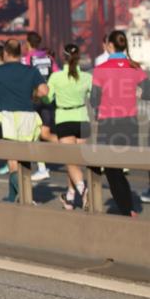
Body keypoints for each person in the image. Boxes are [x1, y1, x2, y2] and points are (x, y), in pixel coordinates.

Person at [0, 39, 49, 204]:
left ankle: (26, 197)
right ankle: (12, 196)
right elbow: (44, 91)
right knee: (24, 159)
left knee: (12, 162)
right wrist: (32, 94)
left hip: (8, 119)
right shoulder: (31, 70)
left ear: (5, 53)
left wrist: (0, 92)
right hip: (28, 117)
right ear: (20, 53)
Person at [91, 30, 146, 218]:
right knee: (121, 166)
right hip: (130, 123)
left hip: (109, 123)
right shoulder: (135, 68)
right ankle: (129, 207)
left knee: (111, 167)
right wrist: (135, 94)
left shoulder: (101, 69)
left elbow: (93, 100)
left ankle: (126, 209)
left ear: (110, 46)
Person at [46, 44, 92, 210]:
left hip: (64, 119)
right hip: (82, 119)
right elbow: (92, 97)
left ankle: (84, 191)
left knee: (70, 162)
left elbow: (47, 99)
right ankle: (70, 197)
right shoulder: (87, 77)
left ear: (62, 56)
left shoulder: (56, 77)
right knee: (76, 162)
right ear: (79, 57)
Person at [21, 32, 59, 181]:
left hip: (33, 100)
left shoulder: (27, 59)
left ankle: (42, 169)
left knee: (34, 135)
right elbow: (56, 74)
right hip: (48, 100)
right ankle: (71, 147)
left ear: (28, 43)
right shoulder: (49, 58)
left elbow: (22, 79)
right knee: (45, 133)